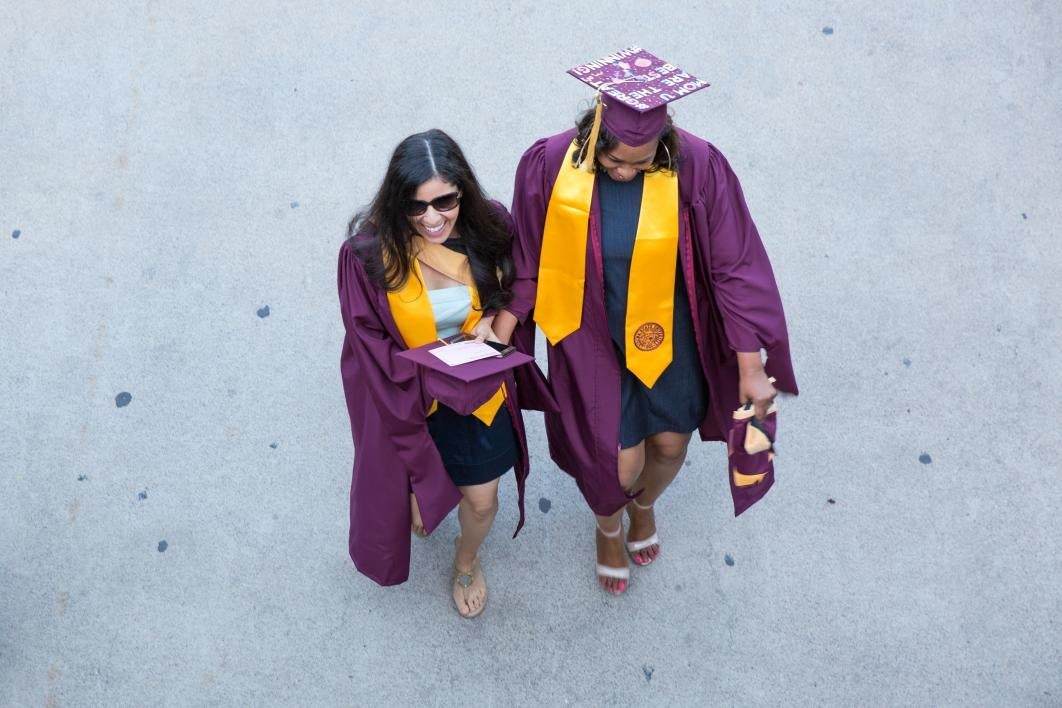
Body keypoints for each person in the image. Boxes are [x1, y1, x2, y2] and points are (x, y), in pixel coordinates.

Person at [493, 48, 799, 595]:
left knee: (668, 447)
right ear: (595, 131)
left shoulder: (698, 164)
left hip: (668, 333)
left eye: (642, 161)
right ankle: (609, 524)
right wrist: (507, 321)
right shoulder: (551, 163)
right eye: (616, 160)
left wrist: (751, 365)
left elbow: (734, 265)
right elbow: (528, 253)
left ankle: (645, 509)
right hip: (587, 333)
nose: (627, 171)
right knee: (617, 462)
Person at [338, 128, 537, 617]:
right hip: (409, 395)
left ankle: (466, 561)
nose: (431, 218)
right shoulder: (366, 256)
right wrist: (427, 374)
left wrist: (499, 323)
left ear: (462, 191)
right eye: (415, 206)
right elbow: (369, 341)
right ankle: (422, 494)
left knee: (484, 501)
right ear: (395, 203)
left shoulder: (489, 225)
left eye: (444, 201)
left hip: (480, 388)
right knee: (411, 484)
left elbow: (526, 277)